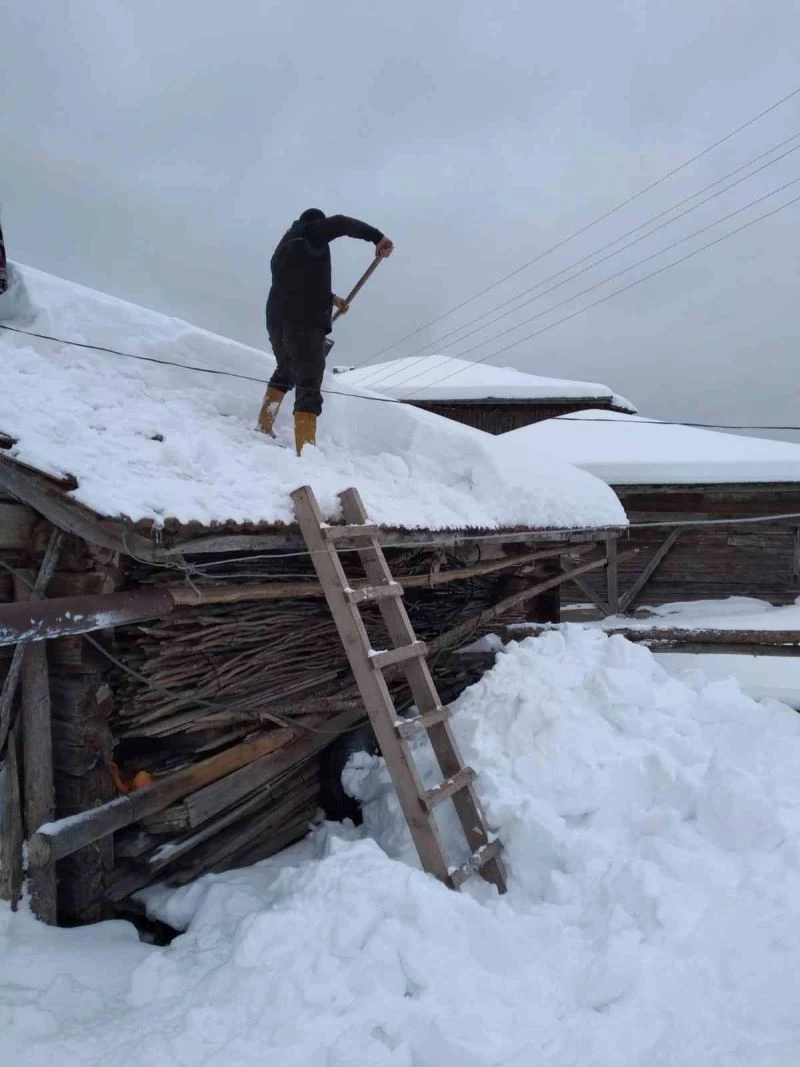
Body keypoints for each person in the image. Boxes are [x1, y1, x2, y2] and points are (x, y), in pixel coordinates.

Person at [259, 208, 393, 454]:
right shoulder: (312, 230)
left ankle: (263, 425)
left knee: (285, 370)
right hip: (303, 323)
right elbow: (341, 223)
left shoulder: (285, 245)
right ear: (316, 221)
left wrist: (331, 299)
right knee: (309, 381)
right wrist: (377, 237)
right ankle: (306, 451)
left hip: (277, 319)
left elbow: (297, 284)